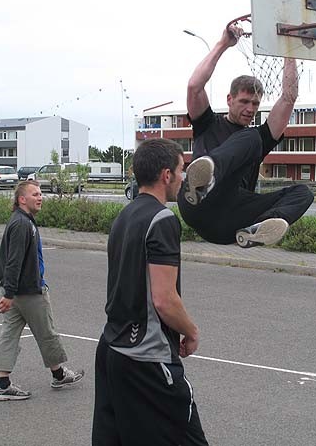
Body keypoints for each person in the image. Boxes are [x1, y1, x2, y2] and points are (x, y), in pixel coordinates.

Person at [92, 138, 208, 446]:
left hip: (112, 347)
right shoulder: (163, 218)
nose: (183, 178)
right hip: (146, 355)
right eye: (181, 170)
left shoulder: (124, 215)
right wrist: (191, 331)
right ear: (166, 175)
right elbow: (164, 299)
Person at [178, 25, 314, 248]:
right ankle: (203, 180)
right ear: (229, 99)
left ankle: (255, 230)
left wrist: (289, 50)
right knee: (251, 137)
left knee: (303, 193)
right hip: (196, 202)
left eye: (255, 104)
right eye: (244, 102)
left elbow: (288, 98)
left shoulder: (259, 137)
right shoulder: (207, 123)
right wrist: (223, 44)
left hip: (228, 224)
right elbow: (194, 86)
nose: (250, 109)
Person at [0, 180, 84, 401]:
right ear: (22, 199)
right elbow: (14, 261)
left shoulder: (21, 221)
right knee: (47, 333)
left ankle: (3, 385)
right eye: (35, 194)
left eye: (41, 194)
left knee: (9, 335)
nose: (40, 197)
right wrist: (9, 294)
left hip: (16, 292)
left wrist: (9, 292)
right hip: (29, 292)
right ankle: (59, 376)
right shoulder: (22, 224)